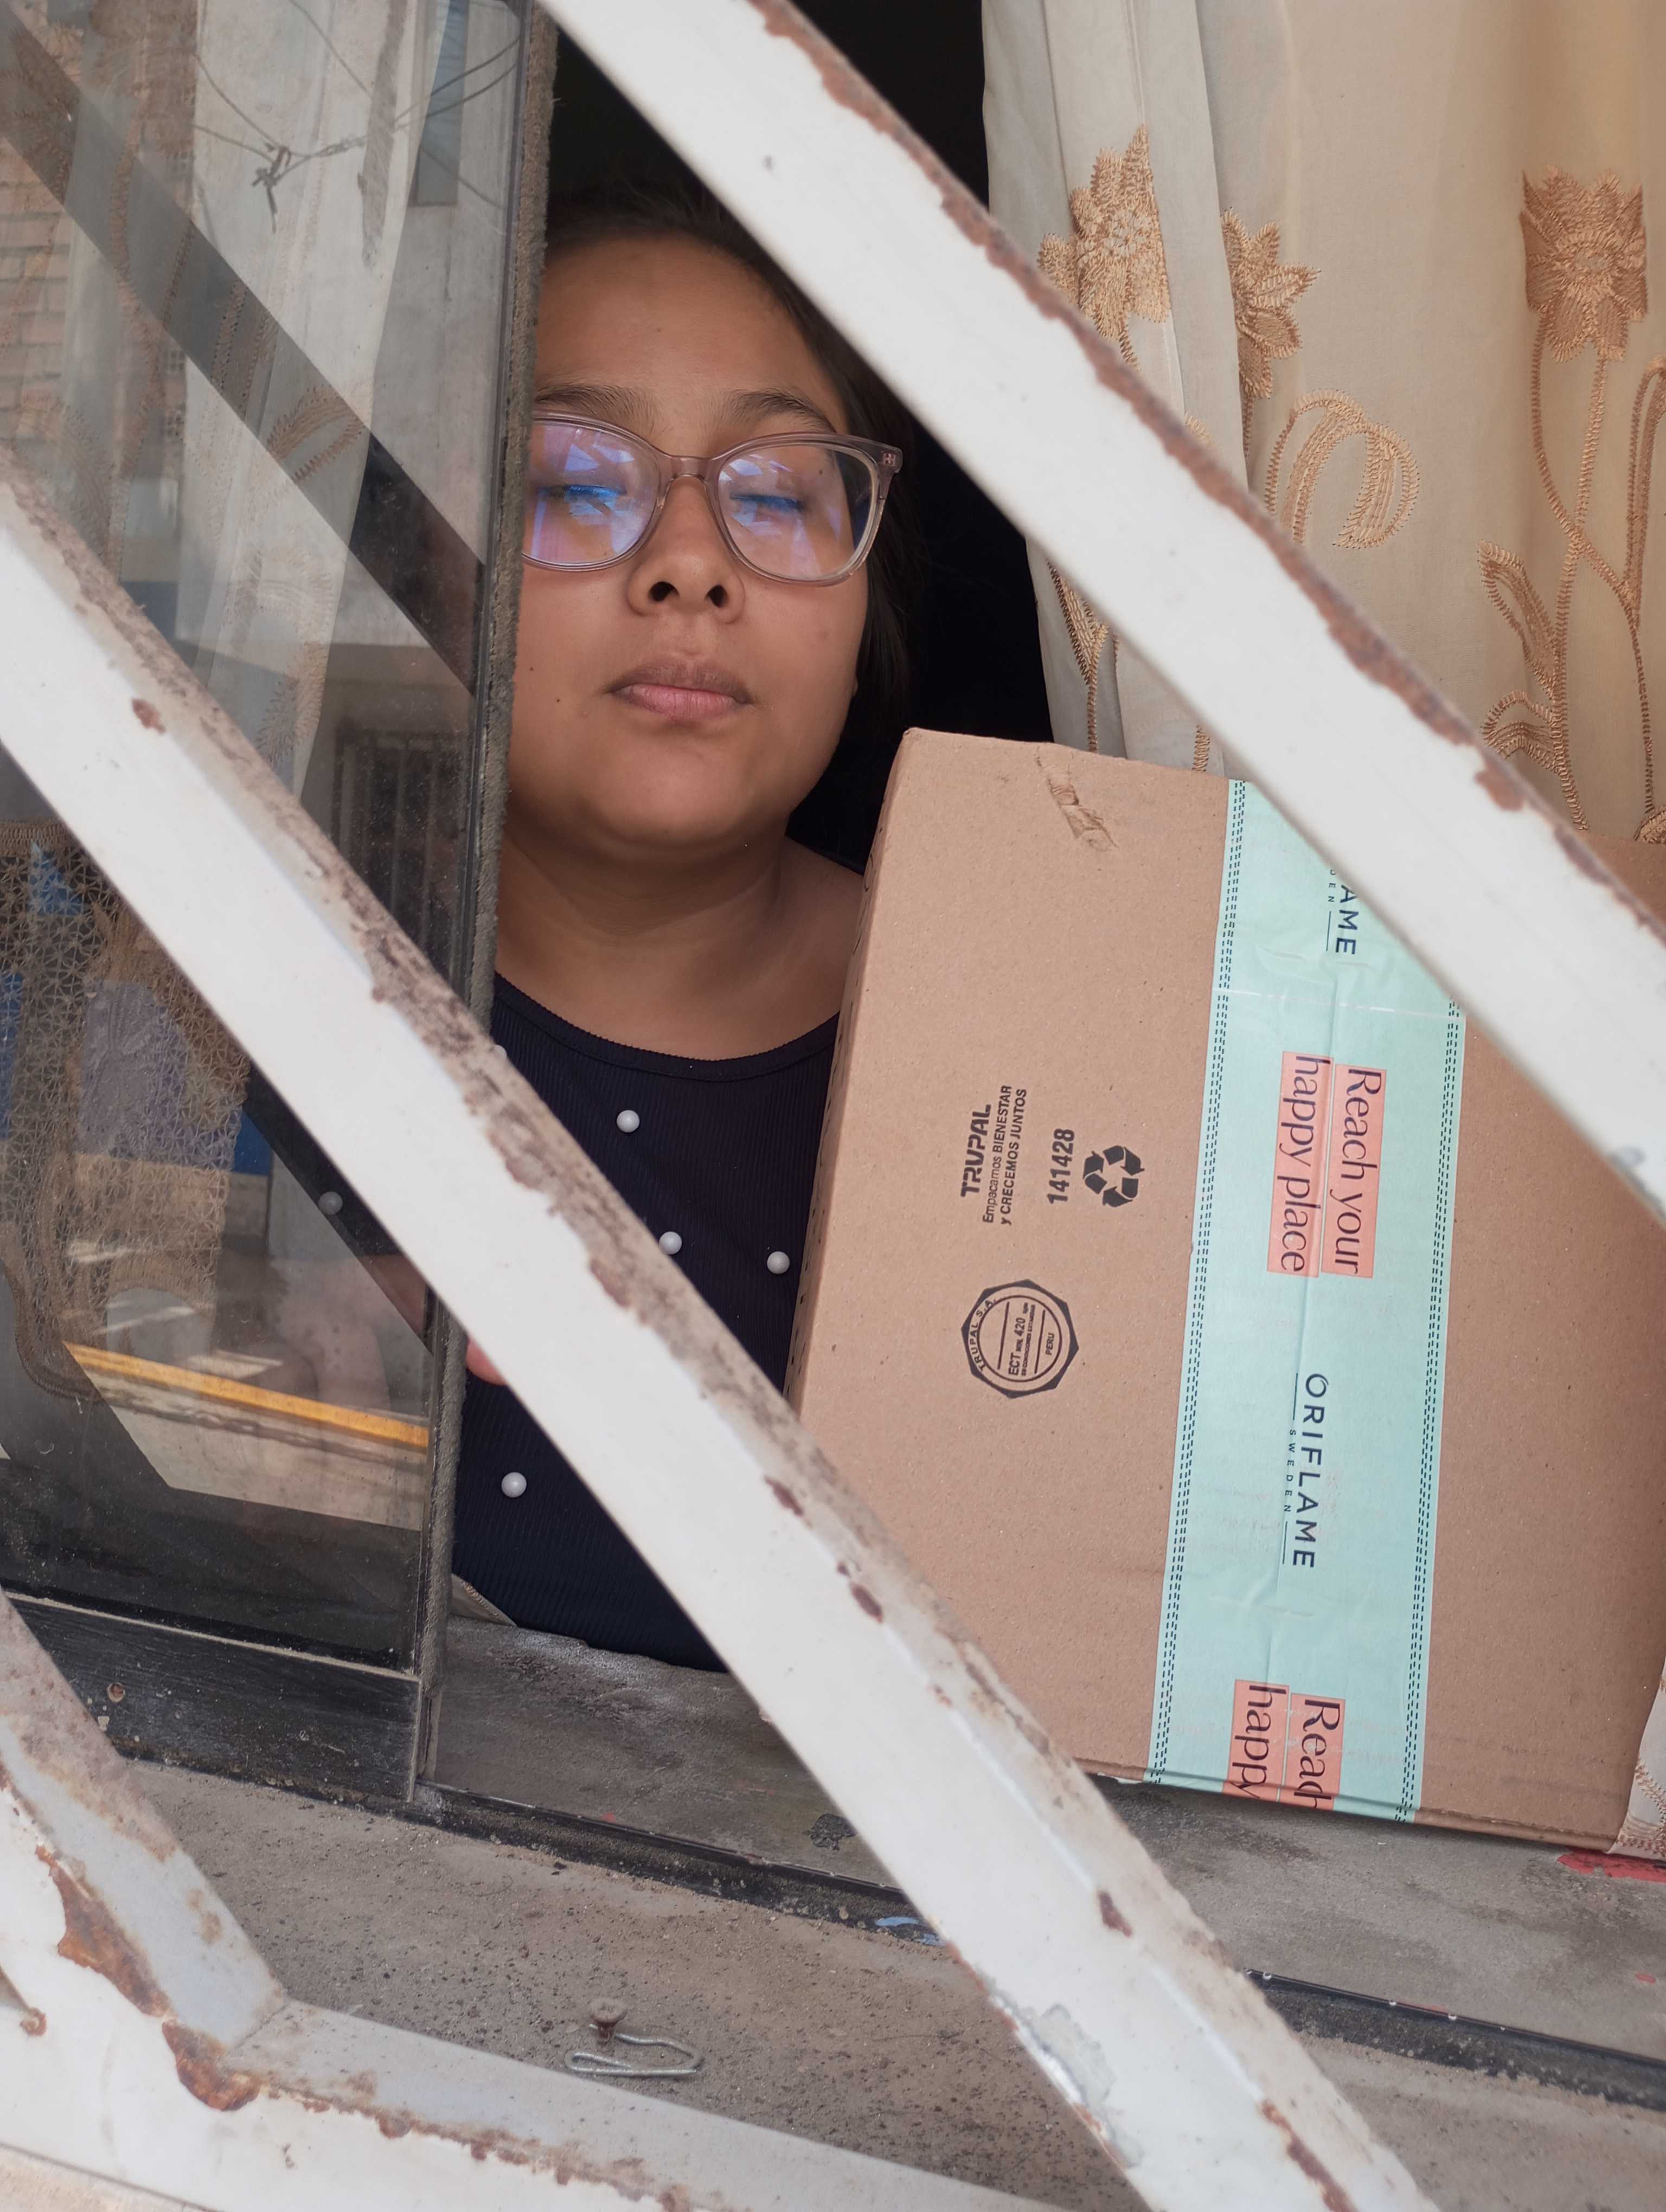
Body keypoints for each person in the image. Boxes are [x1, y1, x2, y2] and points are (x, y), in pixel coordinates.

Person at [447, 181, 921, 1666]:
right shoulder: (240, 1006)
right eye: (572, 481)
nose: (691, 564)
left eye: (775, 497)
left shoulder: (1015, 1052)